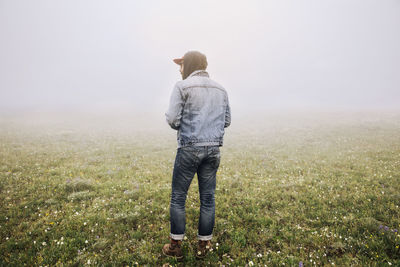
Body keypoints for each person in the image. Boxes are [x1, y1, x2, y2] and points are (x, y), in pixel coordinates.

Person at [162, 50, 231, 259]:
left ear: (189, 65)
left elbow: (173, 119)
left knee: (178, 197)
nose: (180, 70)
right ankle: (204, 246)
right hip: (213, 150)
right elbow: (226, 121)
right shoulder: (221, 89)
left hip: (189, 148)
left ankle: (175, 247)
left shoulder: (182, 87)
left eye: (181, 65)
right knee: (208, 198)